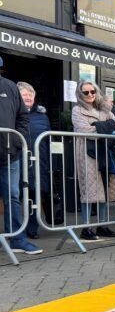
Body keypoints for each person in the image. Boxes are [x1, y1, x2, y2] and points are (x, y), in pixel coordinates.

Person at [72, 81, 115, 241]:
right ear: (80, 94)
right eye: (86, 92)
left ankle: (102, 225)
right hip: (87, 153)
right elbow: (85, 130)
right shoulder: (77, 110)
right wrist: (105, 127)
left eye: (92, 91)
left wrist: (100, 126)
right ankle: (86, 227)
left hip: (105, 152)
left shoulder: (104, 108)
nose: (90, 95)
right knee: (88, 190)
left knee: (104, 187)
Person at [0, 57, 42, 254]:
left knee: (13, 196)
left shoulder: (10, 87)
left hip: (9, 153)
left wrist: (17, 141)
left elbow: (23, 117)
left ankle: (17, 239)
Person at [17, 82, 51, 240]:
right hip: (17, 161)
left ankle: (32, 229)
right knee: (15, 196)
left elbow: (49, 141)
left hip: (39, 162)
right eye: (24, 94)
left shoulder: (42, 116)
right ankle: (16, 230)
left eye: (31, 93)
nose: (28, 96)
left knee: (34, 196)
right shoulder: (13, 114)